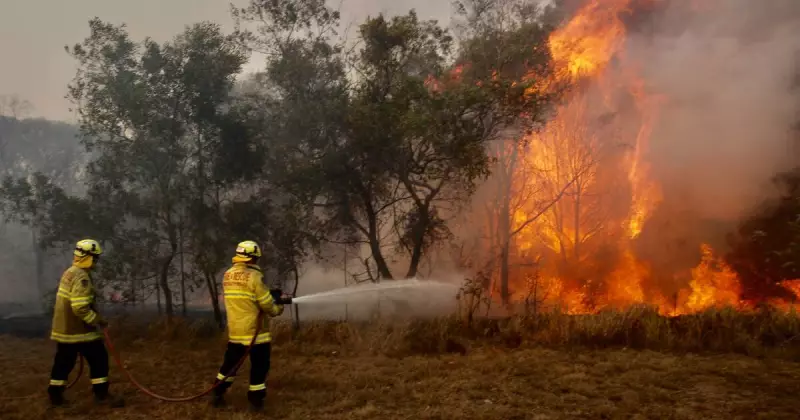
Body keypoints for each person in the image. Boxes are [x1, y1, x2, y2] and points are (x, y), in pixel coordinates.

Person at [211, 240, 287, 412]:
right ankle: (256, 402)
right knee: (259, 367)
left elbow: (245, 299)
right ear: (252, 258)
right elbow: (267, 305)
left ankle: (217, 392)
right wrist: (279, 305)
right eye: (256, 259)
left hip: (236, 332)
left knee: (230, 366)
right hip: (256, 334)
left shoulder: (228, 275)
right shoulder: (254, 277)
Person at [48, 239, 124, 408]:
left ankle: (55, 395)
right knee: (99, 359)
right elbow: (80, 307)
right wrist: (97, 321)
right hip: (79, 330)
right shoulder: (82, 277)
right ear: (88, 257)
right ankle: (102, 395)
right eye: (95, 258)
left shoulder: (70, 272)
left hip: (64, 329)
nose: (96, 262)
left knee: (63, 362)